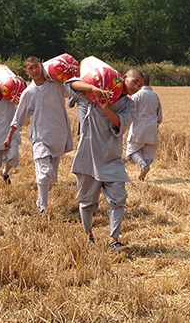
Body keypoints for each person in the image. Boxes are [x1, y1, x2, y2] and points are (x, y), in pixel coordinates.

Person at [65, 68, 144, 253]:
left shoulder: (129, 105)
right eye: (135, 82)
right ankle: (87, 234)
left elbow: (120, 124)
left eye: (141, 85)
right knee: (86, 201)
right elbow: (70, 84)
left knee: (118, 200)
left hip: (111, 157)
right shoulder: (92, 93)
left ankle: (113, 240)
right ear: (124, 78)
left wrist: (106, 108)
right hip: (88, 155)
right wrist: (93, 89)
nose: (137, 87)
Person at [4, 57, 78, 216]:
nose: (34, 70)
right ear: (26, 72)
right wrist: (9, 136)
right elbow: (20, 116)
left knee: (50, 178)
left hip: (58, 134)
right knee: (44, 172)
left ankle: (40, 200)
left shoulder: (56, 85)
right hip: (40, 136)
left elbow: (73, 89)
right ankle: (43, 207)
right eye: (30, 68)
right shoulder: (29, 92)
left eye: (36, 66)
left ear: (41, 66)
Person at [125, 71, 163, 181]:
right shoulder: (155, 96)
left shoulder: (137, 96)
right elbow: (159, 115)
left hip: (138, 127)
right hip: (152, 128)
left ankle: (143, 166)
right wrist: (157, 124)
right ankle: (144, 169)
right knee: (148, 152)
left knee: (131, 151)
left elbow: (130, 111)